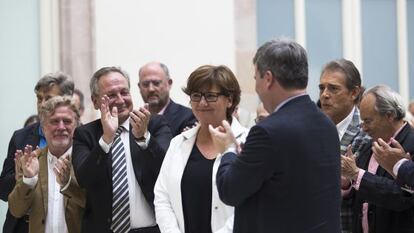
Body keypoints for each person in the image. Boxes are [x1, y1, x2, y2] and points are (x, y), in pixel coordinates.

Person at [209, 38, 341, 233]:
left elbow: (230, 191)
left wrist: (227, 150)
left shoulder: (267, 131)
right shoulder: (326, 124)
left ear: (268, 78)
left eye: (256, 79)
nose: (256, 88)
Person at [72, 66, 172, 233]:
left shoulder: (155, 125)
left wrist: (144, 138)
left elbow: (168, 170)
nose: (120, 100)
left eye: (124, 92)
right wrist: (106, 139)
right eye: (111, 95)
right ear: (96, 101)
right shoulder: (85, 134)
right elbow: (84, 179)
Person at [154, 65, 249, 233]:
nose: (202, 103)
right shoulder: (178, 143)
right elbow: (162, 196)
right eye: (196, 96)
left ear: (230, 100)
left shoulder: (248, 142)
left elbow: (249, 202)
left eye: (211, 96)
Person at [0, 72, 74, 233]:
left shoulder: (82, 137)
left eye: (48, 98)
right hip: (22, 226)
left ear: (66, 99)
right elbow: (3, 191)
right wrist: (24, 178)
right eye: (39, 98)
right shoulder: (20, 137)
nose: (42, 104)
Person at [341, 85, 414, 233]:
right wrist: (347, 183)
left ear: (390, 115)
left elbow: (402, 197)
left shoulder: (411, 143)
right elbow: (362, 194)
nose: (364, 129)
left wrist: (356, 174)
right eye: (362, 123)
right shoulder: (370, 145)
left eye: (368, 121)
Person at [8, 96, 85, 233]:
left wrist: (68, 184)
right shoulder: (31, 161)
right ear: (43, 128)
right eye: (54, 121)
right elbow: (16, 209)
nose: (61, 127)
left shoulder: (87, 159)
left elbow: (97, 206)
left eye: (67, 121)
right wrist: (28, 179)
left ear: (76, 126)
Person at [319, 58, 362, 233]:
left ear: (354, 93)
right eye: (322, 88)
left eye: (333, 88)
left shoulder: (367, 133)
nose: (325, 94)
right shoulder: (313, 130)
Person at [138, 61, 196, 136]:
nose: (151, 89)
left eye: (156, 83)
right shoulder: (136, 121)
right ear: (139, 87)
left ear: (169, 83)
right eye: (145, 84)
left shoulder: (188, 117)